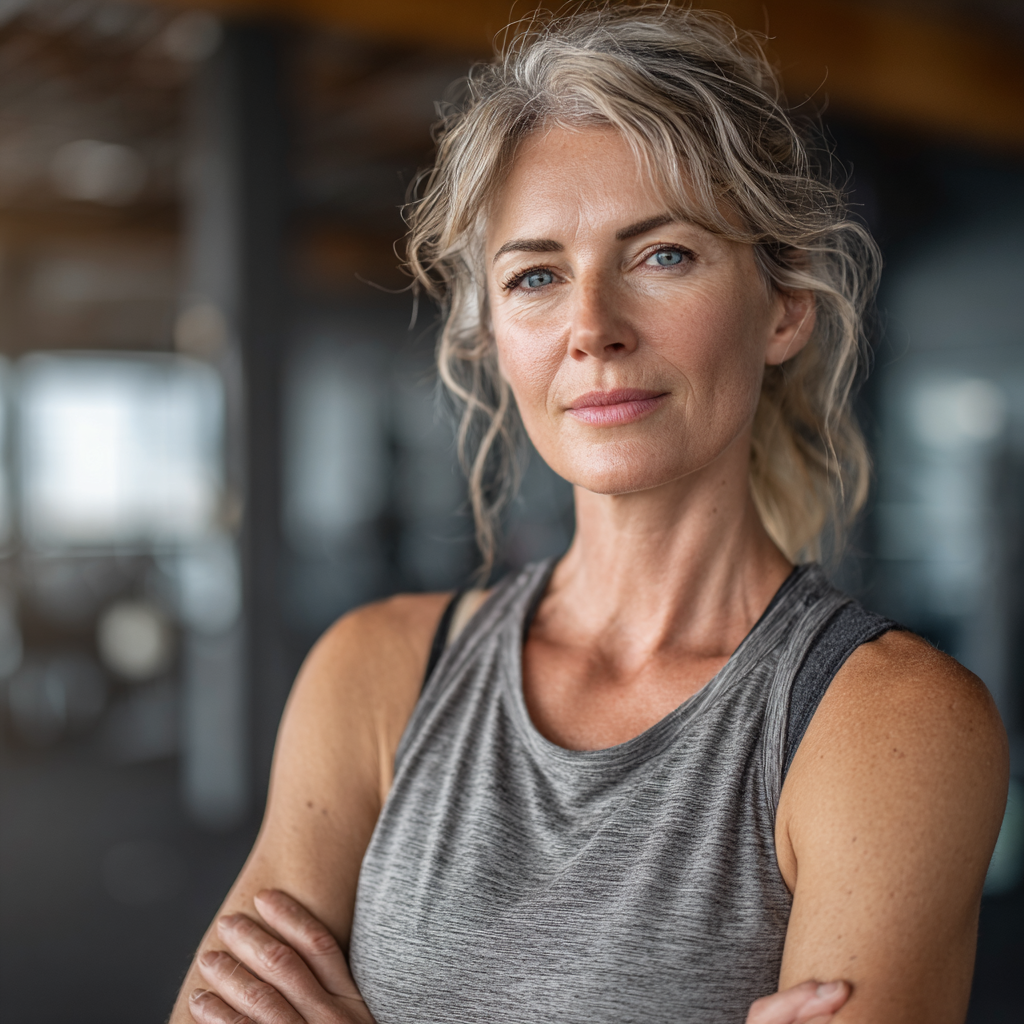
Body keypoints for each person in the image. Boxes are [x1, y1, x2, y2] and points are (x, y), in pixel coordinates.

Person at [172, 6, 1008, 1023]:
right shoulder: (374, 673)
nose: (592, 329)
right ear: (493, 341)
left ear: (783, 305)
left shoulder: (886, 725)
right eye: (535, 277)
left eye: (661, 256)